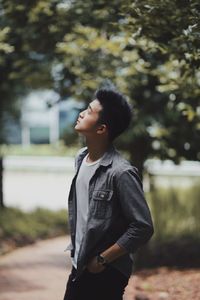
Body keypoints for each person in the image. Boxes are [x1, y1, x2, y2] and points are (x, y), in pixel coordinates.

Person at [63, 87, 154, 300]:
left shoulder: (121, 173)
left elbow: (143, 226)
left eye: (89, 111)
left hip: (106, 271)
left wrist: (103, 259)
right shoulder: (81, 158)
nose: (82, 113)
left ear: (102, 128)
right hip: (81, 265)